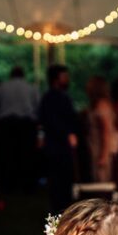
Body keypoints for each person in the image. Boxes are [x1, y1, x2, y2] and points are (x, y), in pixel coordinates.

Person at [0, 66, 40, 193]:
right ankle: (27, 185)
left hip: (7, 125)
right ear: (23, 75)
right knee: (26, 156)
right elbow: (37, 106)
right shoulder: (31, 87)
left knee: (8, 155)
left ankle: (9, 185)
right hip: (26, 125)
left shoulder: (2, 87)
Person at [38, 64, 79, 213]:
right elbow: (50, 121)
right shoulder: (52, 98)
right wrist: (68, 134)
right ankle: (60, 211)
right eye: (64, 77)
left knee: (63, 181)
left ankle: (64, 209)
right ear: (57, 79)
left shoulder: (59, 97)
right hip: (57, 147)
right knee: (58, 181)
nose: (67, 80)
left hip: (60, 147)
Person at [86, 75, 118, 182]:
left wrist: (104, 156)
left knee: (102, 182)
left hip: (101, 151)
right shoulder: (98, 105)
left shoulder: (102, 106)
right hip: (95, 148)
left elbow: (106, 132)